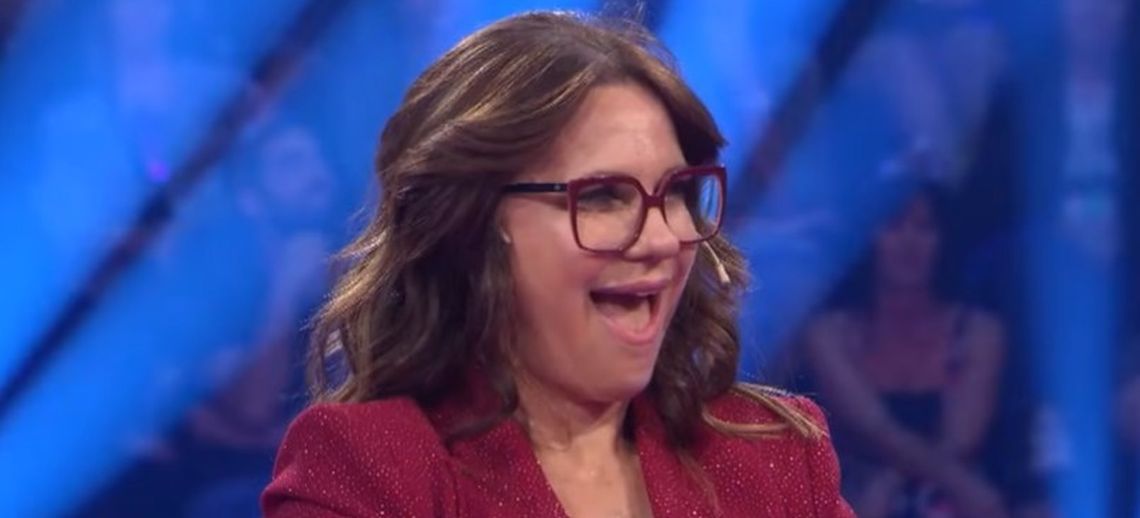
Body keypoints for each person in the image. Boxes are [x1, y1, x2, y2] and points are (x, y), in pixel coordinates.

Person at [261, 11, 852, 517]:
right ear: (475, 221)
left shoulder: (776, 455)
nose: (661, 238)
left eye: (675, 193)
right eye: (602, 197)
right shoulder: (373, 467)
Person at [801, 185, 1007, 518]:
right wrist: (955, 481)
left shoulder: (979, 330)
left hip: (949, 495)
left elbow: (962, 440)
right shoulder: (829, 334)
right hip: (854, 491)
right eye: (894, 225)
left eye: (924, 227)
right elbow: (873, 431)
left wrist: (894, 482)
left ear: (943, 240)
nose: (909, 242)